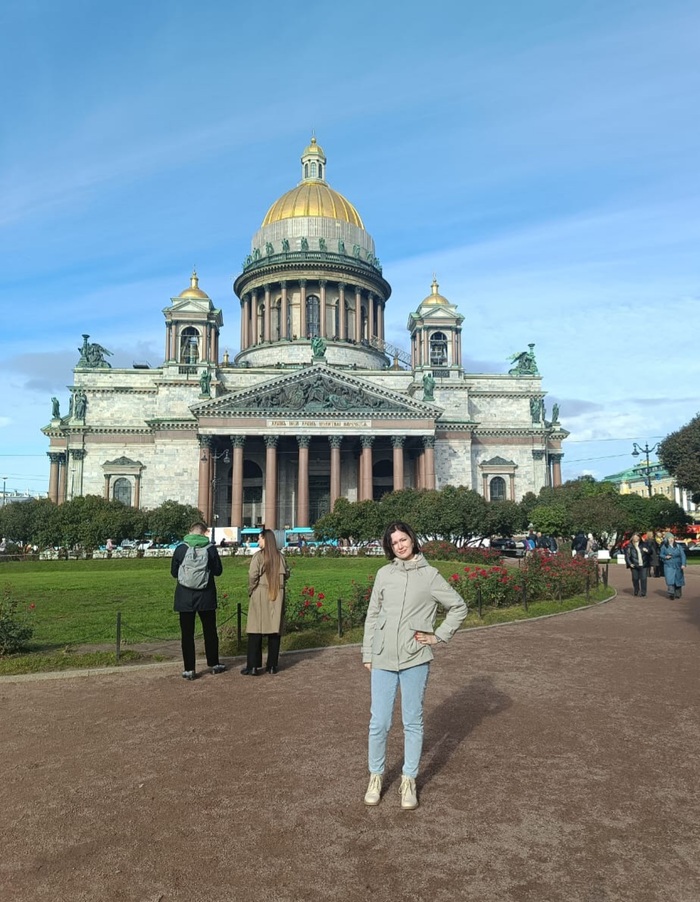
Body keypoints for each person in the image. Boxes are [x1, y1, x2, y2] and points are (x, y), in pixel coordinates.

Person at [361, 520, 468, 810]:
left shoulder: (430, 575)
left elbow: (458, 607)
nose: (400, 545)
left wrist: (438, 636)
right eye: (394, 542)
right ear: (389, 546)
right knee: (379, 722)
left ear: (412, 539)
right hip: (383, 656)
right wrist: (368, 653)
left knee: (412, 721)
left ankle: (408, 780)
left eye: (403, 539)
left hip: (415, 658)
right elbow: (373, 614)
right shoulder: (384, 574)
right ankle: (375, 776)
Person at [171, 521, 226, 680]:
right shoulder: (210, 549)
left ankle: (189, 669)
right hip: (206, 596)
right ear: (204, 532)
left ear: (190, 531)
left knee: (187, 634)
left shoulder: (181, 549)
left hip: (184, 597)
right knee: (210, 631)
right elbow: (218, 571)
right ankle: (214, 664)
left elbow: (174, 572)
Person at [242, 528, 290, 675]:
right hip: (277, 592)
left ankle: (253, 666)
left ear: (265, 539)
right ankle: (272, 665)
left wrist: (251, 589)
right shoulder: (280, 557)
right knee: (274, 631)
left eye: (259, 538)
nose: (258, 541)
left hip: (261, 592)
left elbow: (252, 575)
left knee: (255, 630)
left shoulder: (259, 556)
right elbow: (287, 574)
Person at [659, 532, 686, 599]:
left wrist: (683, 564)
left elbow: (683, 555)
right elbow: (661, 554)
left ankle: (678, 593)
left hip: (678, 565)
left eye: (672, 538)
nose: (671, 539)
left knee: (678, 579)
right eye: (669, 538)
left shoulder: (678, 546)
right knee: (670, 579)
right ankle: (671, 593)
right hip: (668, 565)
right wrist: (665, 557)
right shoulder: (664, 547)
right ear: (667, 539)